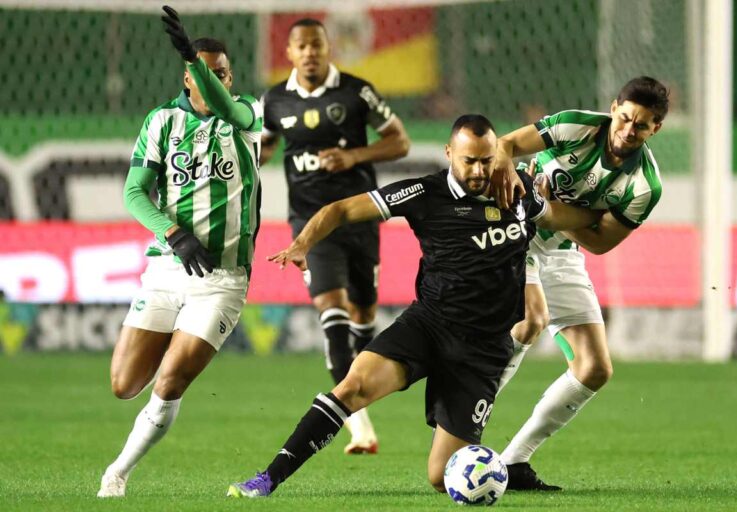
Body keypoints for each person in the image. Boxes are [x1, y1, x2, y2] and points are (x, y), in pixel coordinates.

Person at [226, 114, 603, 498]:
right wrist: (303, 243)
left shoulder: (516, 189)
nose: (478, 170)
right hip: (428, 326)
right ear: (449, 153)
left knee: (442, 478)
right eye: (469, 160)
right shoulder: (424, 194)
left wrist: (609, 219)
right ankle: (268, 478)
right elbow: (339, 211)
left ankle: (506, 467)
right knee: (352, 387)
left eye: (487, 160)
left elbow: (556, 217)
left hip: (484, 350)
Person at [97, 6, 263, 498]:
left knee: (170, 380)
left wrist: (195, 59)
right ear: (185, 81)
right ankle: (161, 398)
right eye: (206, 74)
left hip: (222, 280)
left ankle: (118, 472)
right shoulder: (161, 121)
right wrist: (172, 232)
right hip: (167, 272)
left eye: (224, 73)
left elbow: (230, 107)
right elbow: (133, 193)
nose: (219, 81)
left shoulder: (247, 116)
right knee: (125, 385)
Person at [493, 76, 669, 491]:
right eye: (625, 118)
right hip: (515, 236)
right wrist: (519, 196)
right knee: (529, 321)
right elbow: (505, 146)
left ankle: (514, 461)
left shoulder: (644, 185)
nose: (628, 130)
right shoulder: (575, 126)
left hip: (562, 253)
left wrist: (550, 213)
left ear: (655, 129)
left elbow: (602, 242)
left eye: (641, 125)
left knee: (594, 369)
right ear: (613, 108)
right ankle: (464, 422)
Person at [259, 18, 411, 454]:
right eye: (301, 46)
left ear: (330, 49)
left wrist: (354, 156)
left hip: (361, 218)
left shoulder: (357, 91)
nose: (309, 53)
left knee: (364, 317)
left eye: (317, 45)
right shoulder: (274, 100)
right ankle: (358, 424)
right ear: (289, 53)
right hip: (310, 225)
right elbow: (267, 146)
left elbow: (399, 141)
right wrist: (251, 155)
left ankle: (365, 383)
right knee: (333, 316)